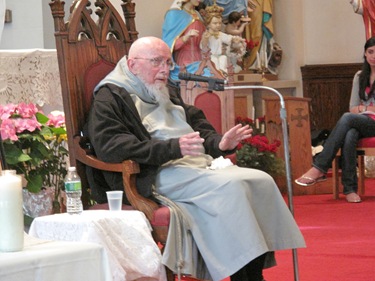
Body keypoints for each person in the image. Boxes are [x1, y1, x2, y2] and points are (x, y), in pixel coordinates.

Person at [86, 36, 306, 281]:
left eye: (168, 62)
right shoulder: (110, 96)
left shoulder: (163, 88)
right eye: (157, 62)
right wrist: (173, 148)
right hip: (154, 173)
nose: (165, 69)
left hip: (193, 165)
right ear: (133, 64)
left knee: (259, 181)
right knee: (230, 188)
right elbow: (111, 147)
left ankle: (253, 275)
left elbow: (196, 124)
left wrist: (219, 143)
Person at [295, 36, 375, 203]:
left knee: (347, 119)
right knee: (350, 134)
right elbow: (353, 107)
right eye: (370, 52)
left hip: (368, 122)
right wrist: (366, 109)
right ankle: (350, 190)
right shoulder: (360, 76)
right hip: (361, 121)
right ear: (365, 54)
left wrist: (363, 109)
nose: (373, 56)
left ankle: (319, 167)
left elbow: (355, 111)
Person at [162, 0, 207, 80]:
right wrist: (186, 37)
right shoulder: (174, 14)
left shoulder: (197, 14)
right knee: (206, 76)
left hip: (200, 58)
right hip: (185, 60)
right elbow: (168, 46)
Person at [200, 3, 246, 74]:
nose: (218, 25)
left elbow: (228, 38)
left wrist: (235, 39)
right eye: (215, 23)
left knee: (223, 59)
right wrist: (205, 40)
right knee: (213, 62)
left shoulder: (220, 34)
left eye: (219, 23)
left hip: (220, 57)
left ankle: (223, 77)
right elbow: (202, 47)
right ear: (208, 23)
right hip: (210, 58)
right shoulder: (206, 35)